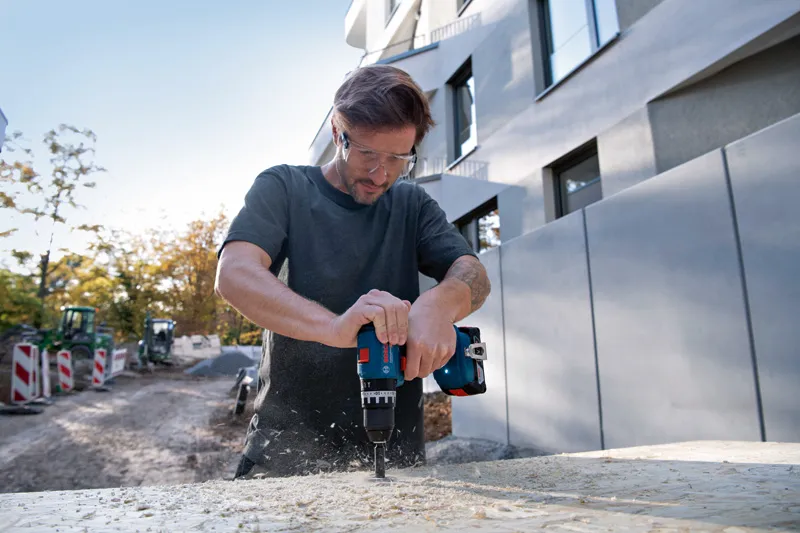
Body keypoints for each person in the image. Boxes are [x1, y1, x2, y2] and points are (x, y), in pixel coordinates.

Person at [215, 64, 491, 479]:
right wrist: (334, 328)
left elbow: (473, 273)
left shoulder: (412, 207)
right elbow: (234, 273)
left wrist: (438, 304)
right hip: (284, 457)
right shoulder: (285, 189)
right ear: (336, 133)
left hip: (398, 461)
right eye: (368, 155)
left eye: (399, 159)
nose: (381, 174)